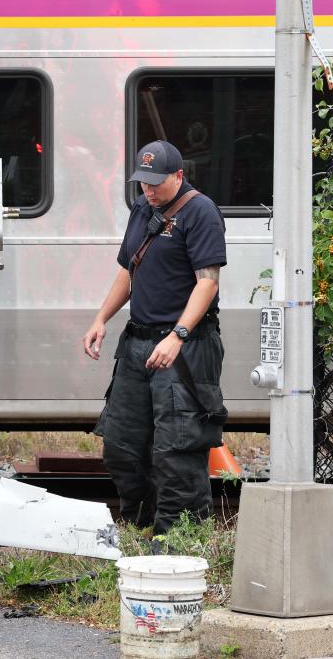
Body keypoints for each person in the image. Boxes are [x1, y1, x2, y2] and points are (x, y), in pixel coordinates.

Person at [83, 140, 227, 536]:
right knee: (121, 444)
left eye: (156, 183)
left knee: (177, 449)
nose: (148, 190)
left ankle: (178, 538)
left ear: (179, 176)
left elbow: (208, 283)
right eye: (142, 182)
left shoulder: (201, 212)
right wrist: (101, 318)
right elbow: (128, 271)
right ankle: (139, 526)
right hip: (137, 344)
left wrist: (178, 335)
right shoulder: (142, 210)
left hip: (184, 349)